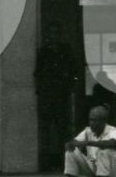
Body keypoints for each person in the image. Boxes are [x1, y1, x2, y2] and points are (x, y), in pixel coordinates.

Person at [35, 20, 82, 166]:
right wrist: (41, 90)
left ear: (60, 35)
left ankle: (66, 161)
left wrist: (70, 86)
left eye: (56, 33)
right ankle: (46, 161)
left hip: (62, 95)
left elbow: (74, 70)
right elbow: (38, 73)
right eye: (51, 33)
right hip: (47, 96)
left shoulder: (65, 51)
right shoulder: (43, 52)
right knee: (46, 130)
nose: (53, 36)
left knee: (64, 129)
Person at [63, 104, 116, 177]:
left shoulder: (113, 131)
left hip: (114, 173)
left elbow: (113, 143)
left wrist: (88, 142)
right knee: (70, 152)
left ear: (103, 121)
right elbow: (75, 142)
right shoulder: (88, 131)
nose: (91, 123)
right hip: (96, 171)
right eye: (90, 120)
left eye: (94, 120)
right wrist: (71, 144)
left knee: (103, 151)